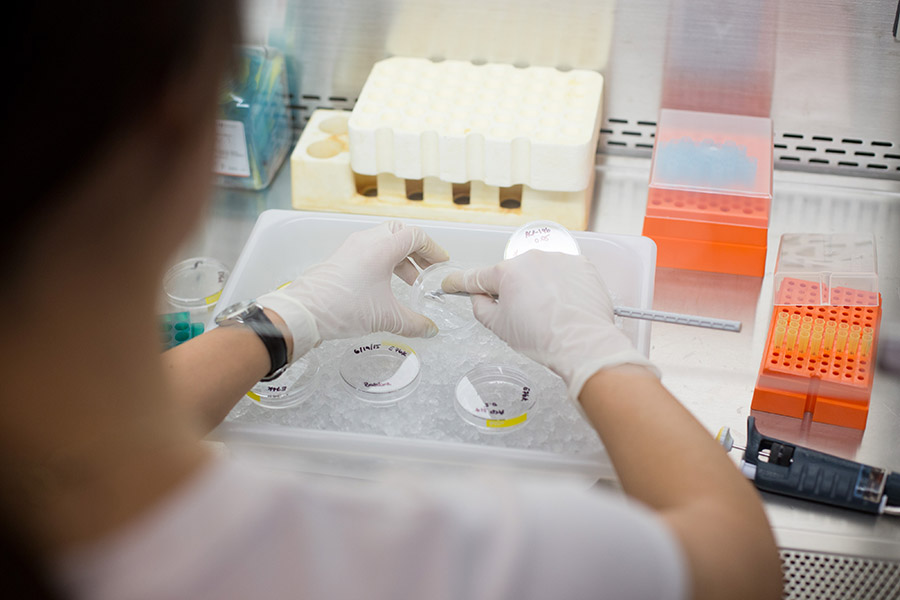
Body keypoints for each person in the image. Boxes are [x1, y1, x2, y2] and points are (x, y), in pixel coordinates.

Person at [1, 1, 782, 599]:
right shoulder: (392, 563)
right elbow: (739, 566)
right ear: (179, 117)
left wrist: (284, 320)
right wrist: (596, 351)